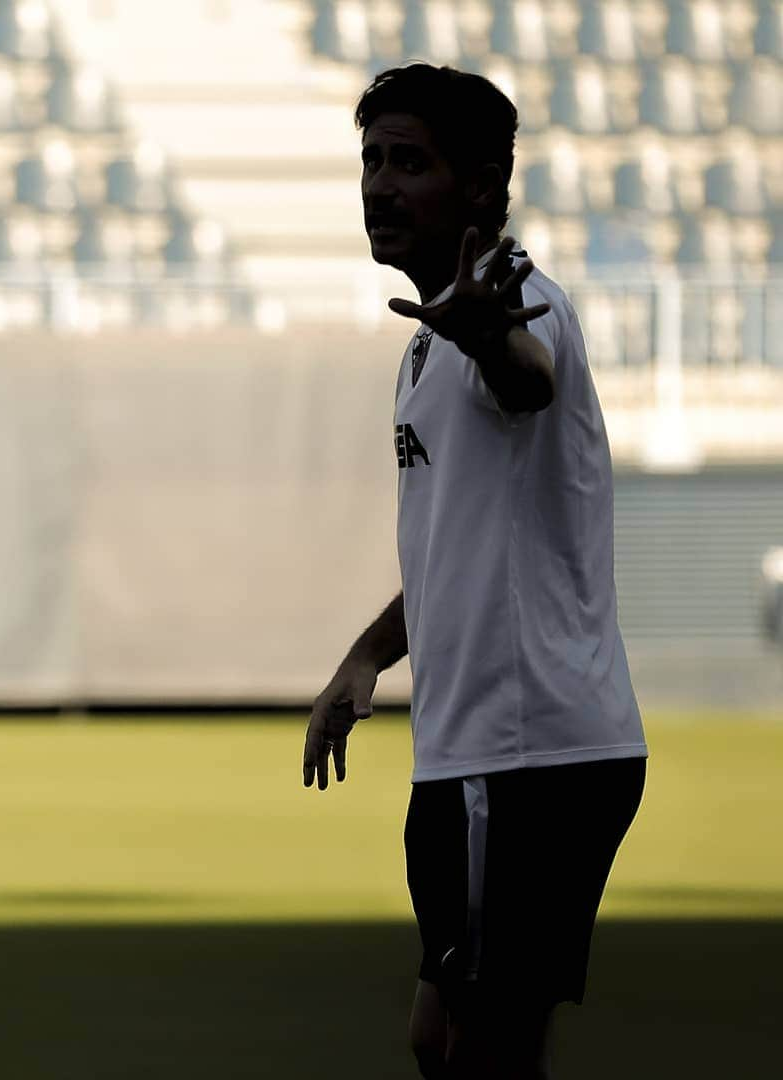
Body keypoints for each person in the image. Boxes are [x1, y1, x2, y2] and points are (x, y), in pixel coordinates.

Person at [302, 64, 648, 1080]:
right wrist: (363, 661)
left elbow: (527, 380)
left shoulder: (517, 308)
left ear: (485, 188)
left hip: (532, 751)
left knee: (484, 1050)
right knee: (443, 1040)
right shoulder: (421, 353)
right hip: (469, 753)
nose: (379, 185)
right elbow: (455, 555)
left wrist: (488, 333)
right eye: (370, 159)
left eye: (410, 162)